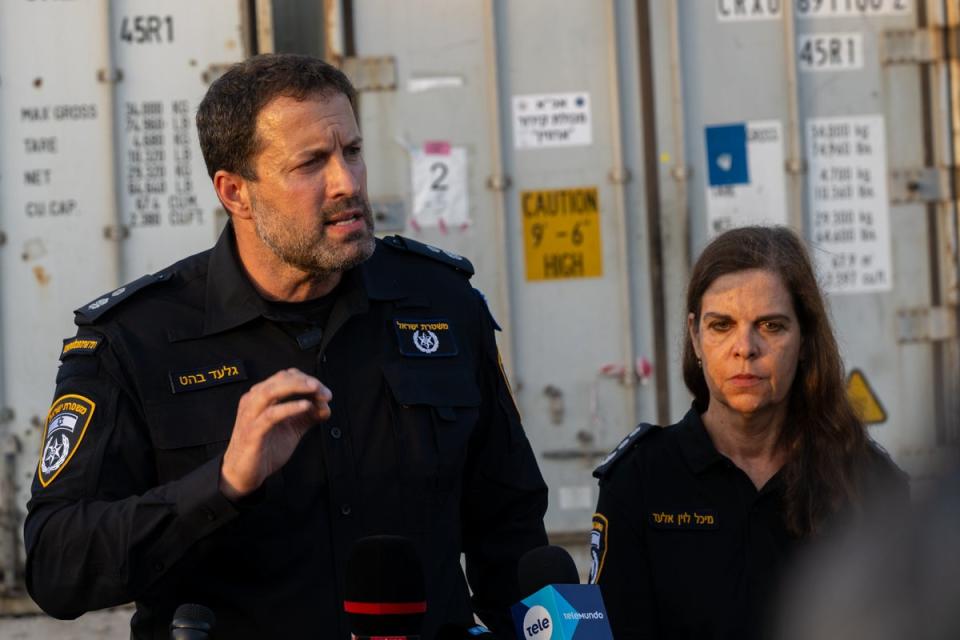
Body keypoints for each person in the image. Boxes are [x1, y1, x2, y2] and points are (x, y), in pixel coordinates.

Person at [24, 53, 548, 639]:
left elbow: (512, 532)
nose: (347, 183)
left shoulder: (442, 304)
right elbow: (56, 566)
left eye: (351, 151)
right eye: (311, 163)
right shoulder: (135, 339)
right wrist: (220, 483)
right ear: (235, 192)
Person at [589, 226, 908, 640]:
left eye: (771, 326)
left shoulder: (867, 482)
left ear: (806, 339)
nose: (746, 347)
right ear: (695, 336)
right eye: (721, 325)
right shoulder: (639, 480)